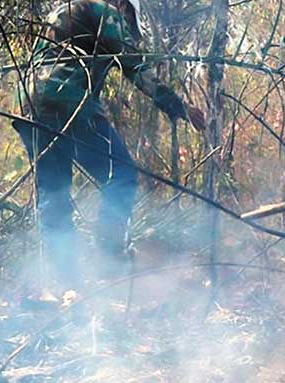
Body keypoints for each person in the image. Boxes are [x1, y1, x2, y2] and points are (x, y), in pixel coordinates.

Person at [18, 0, 205, 289]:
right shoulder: (105, 10)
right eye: (128, 18)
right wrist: (178, 105)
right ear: (123, 5)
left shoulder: (62, 11)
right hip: (72, 103)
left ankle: (66, 284)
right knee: (121, 174)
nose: (127, 24)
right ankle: (109, 257)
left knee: (54, 195)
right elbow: (135, 66)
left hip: (31, 104)